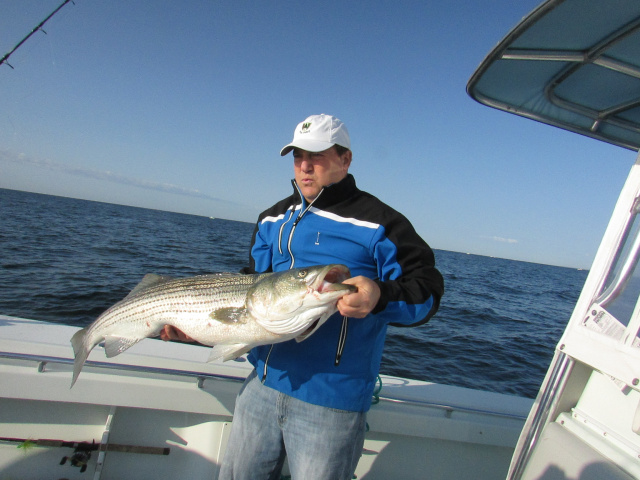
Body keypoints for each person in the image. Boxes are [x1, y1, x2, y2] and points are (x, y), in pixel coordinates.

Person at [162, 114, 444, 479]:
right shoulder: (271, 219)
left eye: (318, 155)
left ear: (346, 159)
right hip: (260, 386)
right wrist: (200, 328)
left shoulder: (381, 223)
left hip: (332, 400)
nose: (305, 166)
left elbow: (428, 291)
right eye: (297, 156)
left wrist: (380, 296)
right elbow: (251, 290)